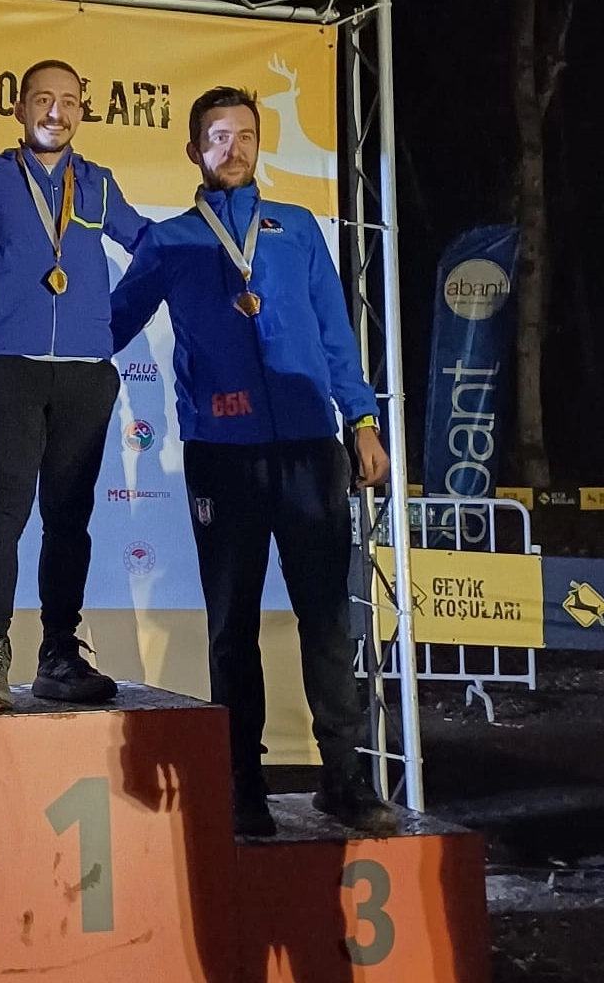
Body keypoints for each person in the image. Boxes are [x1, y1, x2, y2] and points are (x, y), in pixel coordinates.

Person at [110, 86, 397, 836]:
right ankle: (243, 786)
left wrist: (362, 420)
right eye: (217, 136)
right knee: (232, 626)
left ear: (258, 145)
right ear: (193, 150)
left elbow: (335, 331)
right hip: (221, 454)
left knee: (326, 619)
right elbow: (108, 324)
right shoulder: (171, 241)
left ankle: (344, 778)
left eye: (243, 135)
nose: (231, 148)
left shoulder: (297, 228)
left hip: (308, 449)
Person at [0, 60, 146, 712]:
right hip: (10, 369)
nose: (55, 112)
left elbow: (154, 249)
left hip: (85, 375)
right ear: (19, 108)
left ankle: (59, 655)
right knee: (3, 512)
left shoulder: (98, 185)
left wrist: (111, 322)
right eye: (43, 99)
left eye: (69, 101)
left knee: (69, 519)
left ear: (82, 111)